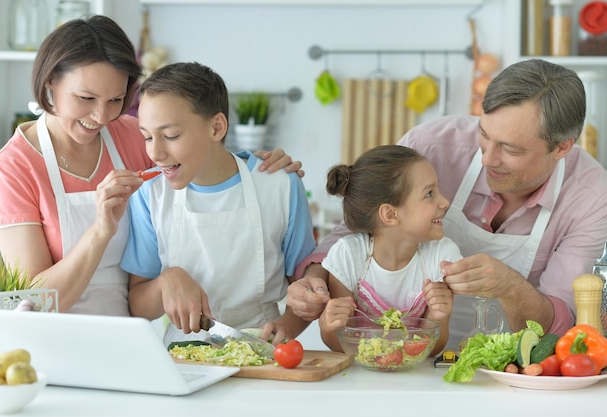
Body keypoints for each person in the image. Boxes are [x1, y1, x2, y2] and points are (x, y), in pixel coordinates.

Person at [0, 15, 297, 317]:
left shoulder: (135, 136)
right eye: (86, 97)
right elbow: (32, 302)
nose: (101, 117)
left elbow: (198, 160)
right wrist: (100, 231)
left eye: (115, 100)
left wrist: (256, 167)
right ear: (50, 79)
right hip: (54, 343)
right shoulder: (13, 169)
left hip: (133, 338)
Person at [287, 58, 607, 351]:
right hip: (412, 360)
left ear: (562, 147)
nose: (487, 158)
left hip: (512, 369)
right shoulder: (430, 147)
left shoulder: (591, 196)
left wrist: (510, 287)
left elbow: (563, 323)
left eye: (511, 149)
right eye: (484, 134)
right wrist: (315, 276)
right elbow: (357, 223)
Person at [120, 62, 316, 345]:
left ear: (217, 127)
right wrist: (166, 282)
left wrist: (283, 329)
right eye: (147, 136)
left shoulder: (280, 184)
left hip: (262, 350)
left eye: (171, 135)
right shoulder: (149, 196)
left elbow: (306, 288)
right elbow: (137, 305)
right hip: (184, 355)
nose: (156, 152)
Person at [318, 145, 460, 355]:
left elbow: (433, 349)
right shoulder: (348, 255)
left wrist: (437, 317)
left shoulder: (442, 257)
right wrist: (328, 326)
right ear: (390, 214)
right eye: (429, 194)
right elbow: (340, 344)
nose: (445, 202)